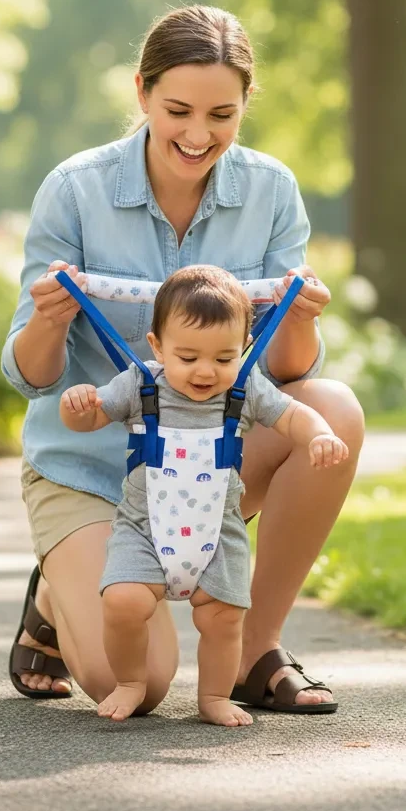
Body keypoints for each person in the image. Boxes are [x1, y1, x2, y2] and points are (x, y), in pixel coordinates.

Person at [3, 4, 365, 715]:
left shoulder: (270, 192)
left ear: (244, 107)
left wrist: (295, 316)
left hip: (205, 455)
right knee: (136, 684)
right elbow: (30, 376)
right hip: (89, 467)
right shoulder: (75, 190)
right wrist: (49, 322)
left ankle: (254, 647)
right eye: (178, 110)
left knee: (334, 409)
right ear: (142, 92)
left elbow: (289, 375)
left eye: (222, 115)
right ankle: (55, 587)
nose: (199, 135)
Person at [58, 265, 349, 725]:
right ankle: (130, 681)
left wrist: (320, 433)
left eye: (224, 357)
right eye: (188, 357)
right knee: (124, 602)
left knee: (223, 618)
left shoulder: (244, 387)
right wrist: (78, 407)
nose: (206, 371)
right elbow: (92, 418)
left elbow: (293, 416)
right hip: (144, 528)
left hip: (219, 531)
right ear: (157, 346)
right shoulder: (141, 383)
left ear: (244, 350)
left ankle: (214, 696)